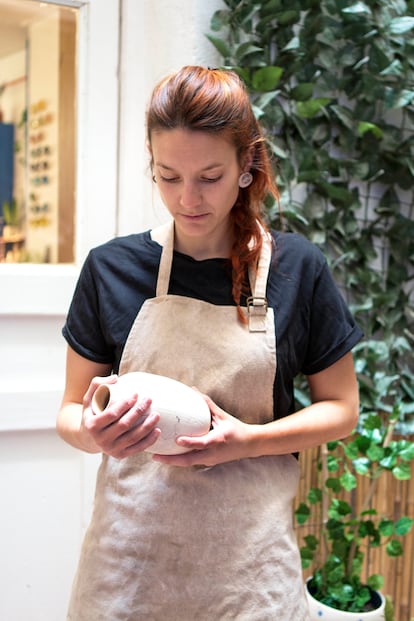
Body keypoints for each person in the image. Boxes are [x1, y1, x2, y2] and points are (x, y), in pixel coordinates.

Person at [57, 65, 363, 621]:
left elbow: (342, 410)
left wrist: (244, 441)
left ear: (247, 165)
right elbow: (70, 413)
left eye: (210, 176)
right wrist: (95, 433)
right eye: (168, 176)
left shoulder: (297, 269)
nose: (187, 199)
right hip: (128, 570)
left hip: (247, 576)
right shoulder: (112, 269)